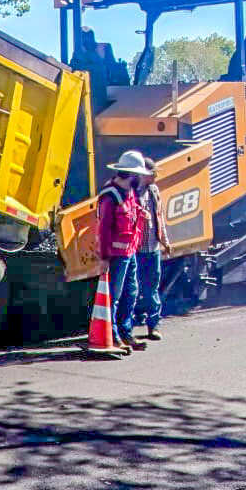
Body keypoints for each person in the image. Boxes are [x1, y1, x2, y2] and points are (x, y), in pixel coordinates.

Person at [97, 150, 151, 351]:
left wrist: (140, 212)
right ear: (131, 174)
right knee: (115, 296)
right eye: (138, 174)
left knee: (131, 292)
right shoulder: (110, 196)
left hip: (130, 252)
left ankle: (126, 332)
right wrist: (103, 258)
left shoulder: (129, 192)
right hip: (117, 257)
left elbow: (131, 214)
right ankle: (113, 336)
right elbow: (103, 230)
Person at [133, 160, 171, 341]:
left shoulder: (154, 191)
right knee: (133, 288)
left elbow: (160, 217)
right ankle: (132, 323)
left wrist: (165, 240)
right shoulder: (131, 192)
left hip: (153, 248)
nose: (156, 176)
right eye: (153, 173)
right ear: (142, 174)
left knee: (152, 287)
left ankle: (153, 325)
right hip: (136, 249)